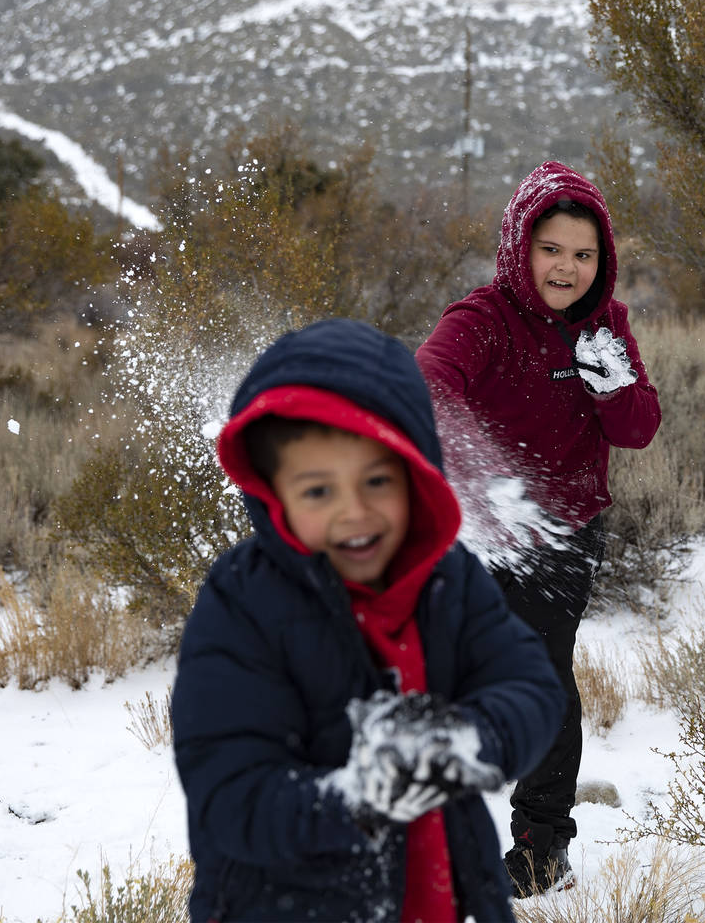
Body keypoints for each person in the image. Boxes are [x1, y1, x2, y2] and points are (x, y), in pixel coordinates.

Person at [171, 318, 566, 923]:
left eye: (377, 481)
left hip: (443, 896)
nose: (354, 512)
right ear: (274, 492)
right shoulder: (243, 603)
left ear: (416, 474)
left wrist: (466, 738)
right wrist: (357, 798)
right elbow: (228, 795)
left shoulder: (449, 580)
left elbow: (531, 687)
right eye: (318, 491)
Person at [416, 160, 661, 896]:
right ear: (520, 246)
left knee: (541, 676)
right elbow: (427, 382)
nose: (567, 267)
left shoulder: (606, 324)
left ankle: (540, 847)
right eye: (551, 248)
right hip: (478, 529)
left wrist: (611, 384)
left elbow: (640, 429)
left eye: (584, 254)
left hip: (563, 537)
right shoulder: (482, 320)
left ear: (602, 259)